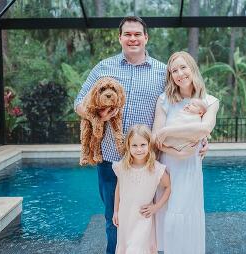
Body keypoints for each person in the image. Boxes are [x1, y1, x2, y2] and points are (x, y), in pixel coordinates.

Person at [73, 16, 168, 254]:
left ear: (146, 38)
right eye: (128, 34)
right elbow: (78, 103)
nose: (133, 38)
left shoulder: (162, 72)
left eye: (137, 34)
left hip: (145, 161)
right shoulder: (103, 68)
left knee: (146, 215)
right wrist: (97, 117)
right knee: (113, 217)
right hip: (110, 159)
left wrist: (200, 137)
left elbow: (176, 108)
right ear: (120, 38)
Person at [152, 51, 219, 254]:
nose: (180, 73)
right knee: (168, 215)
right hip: (169, 167)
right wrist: (175, 151)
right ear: (170, 75)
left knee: (187, 212)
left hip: (190, 168)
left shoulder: (210, 101)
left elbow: (204, 129)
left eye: (183, 67)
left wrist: (169, 131)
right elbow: (155, 138)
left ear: (192, 69)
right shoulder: (164, 100)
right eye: (174, 70)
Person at [111, 124, 171, 254]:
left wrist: (156, 207)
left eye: (143, 145)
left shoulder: (156, 168)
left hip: (143, 218)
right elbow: (118, 188)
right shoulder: (122, 166)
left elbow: (168, 187)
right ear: (128, 146)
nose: (139, 149)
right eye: (134, 145)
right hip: (125, 216)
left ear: (149, 145)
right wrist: (115, 211)